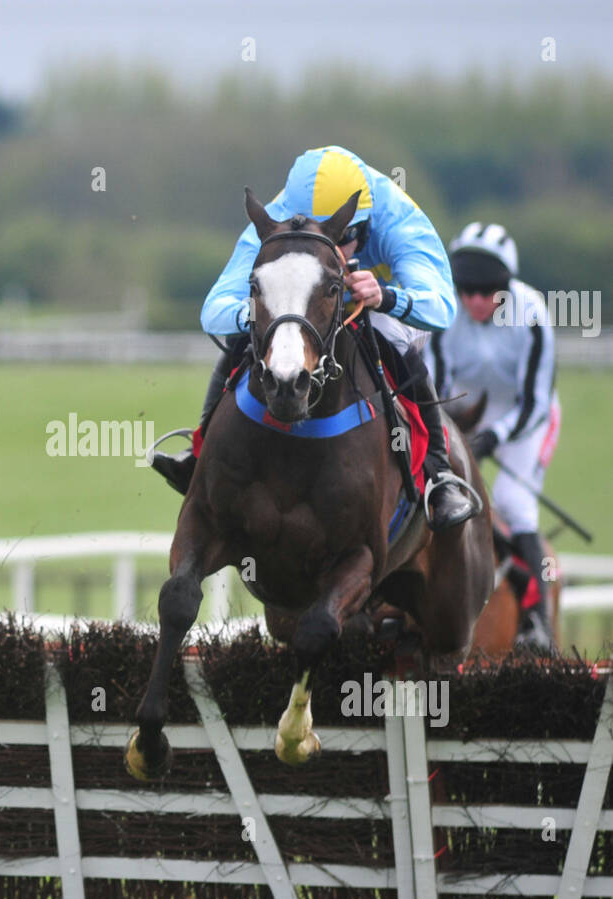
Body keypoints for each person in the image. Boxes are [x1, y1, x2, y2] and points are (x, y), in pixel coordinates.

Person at [150, 145, 480, 531]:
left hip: (385, 299)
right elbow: (215, 308)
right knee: (257, 327)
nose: (331, 253)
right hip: (308, 305)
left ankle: (440, 476)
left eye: (342, 239)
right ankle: (198, 454)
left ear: (364, 224)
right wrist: (258, 314)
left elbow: (441, 308)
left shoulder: (399, 219)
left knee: (387, 333)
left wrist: (386, 296)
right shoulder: (278, 214)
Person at [427, 222, 560, 649]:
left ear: (507, 285)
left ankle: (537, 621)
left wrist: (493, 438)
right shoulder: (444, 313)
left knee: (513, 503)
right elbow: (436, 385)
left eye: (487, 292)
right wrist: (461, 432)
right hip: (462, 413)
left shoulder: (533, 314)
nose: (476, 301)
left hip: (526, 419)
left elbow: (536, 402)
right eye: (467, 291)